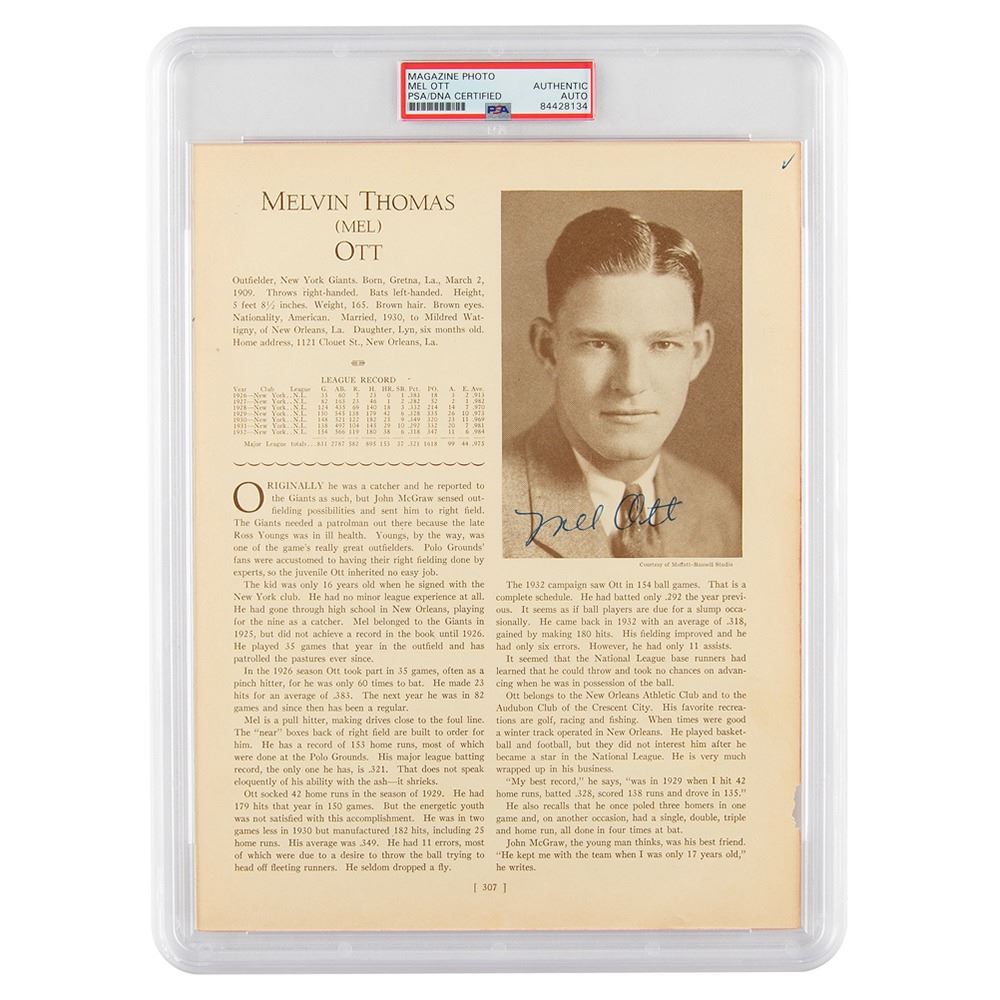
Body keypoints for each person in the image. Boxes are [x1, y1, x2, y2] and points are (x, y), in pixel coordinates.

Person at [502, 207, 740, 558]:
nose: (631, 383)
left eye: (663, 345)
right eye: (599, 344)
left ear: (698, 352)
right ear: (549, 349)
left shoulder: (715, 506)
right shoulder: (483, 505)